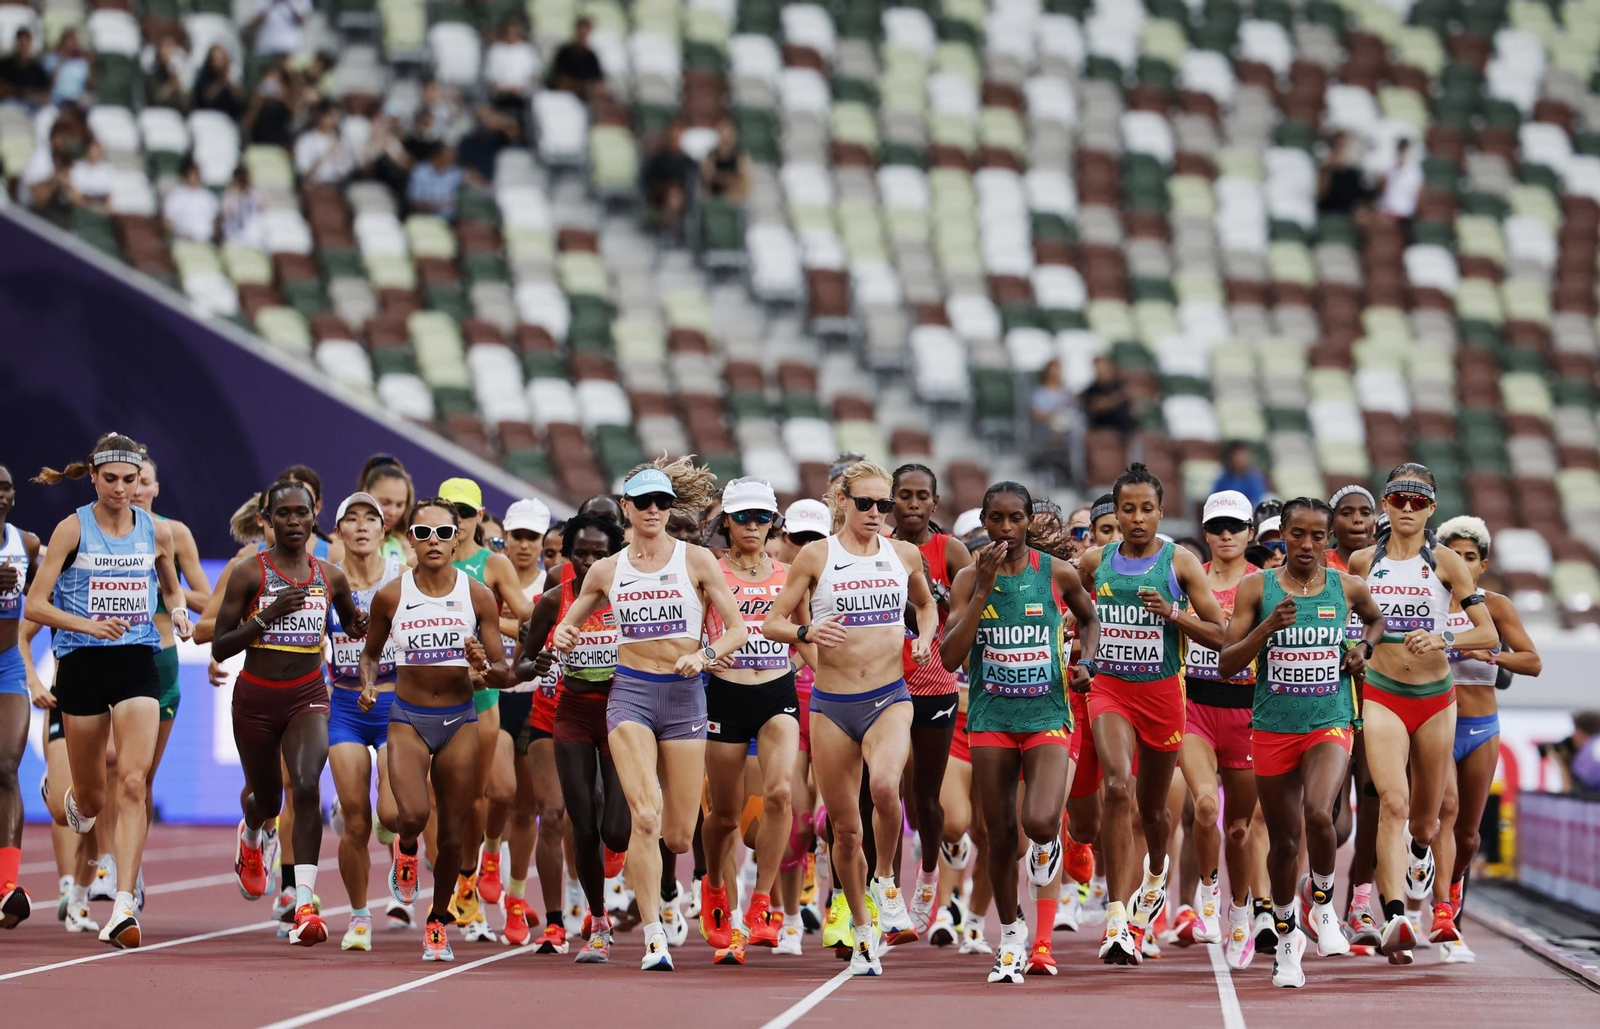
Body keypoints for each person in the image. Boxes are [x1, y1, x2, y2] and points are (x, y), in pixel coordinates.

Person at [549, 458, 747, 971]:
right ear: (627, 508)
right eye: (644, 502)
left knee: (678, 834)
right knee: (643, 816)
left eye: (662, 501)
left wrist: (703, 657)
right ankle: (654, 933)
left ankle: (673, 881)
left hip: (684, 700)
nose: (654, 510)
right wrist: (565, 635)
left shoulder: (696, 561)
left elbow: (737, 630)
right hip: (631, 693)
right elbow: (565, 627)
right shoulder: (608, 569)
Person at [763, 460, 939, 976]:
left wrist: (925, 637)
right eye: (865, 503)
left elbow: (925, 606)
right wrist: (806, 634)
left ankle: (886, 881)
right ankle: (862, 930)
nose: (876, 513)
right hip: (832, 705)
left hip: (889, 695)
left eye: (884, 505)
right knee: (844, 832)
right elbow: (774, 621)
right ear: (842, 500)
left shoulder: (903, 553)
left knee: (886, 788)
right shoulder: (817, 555)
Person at [23, 434, 191, 948]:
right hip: (81, 663)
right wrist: (87, 626)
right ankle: (68, 796)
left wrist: (179, 611)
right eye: (112, 479)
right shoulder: (72, 527)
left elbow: (169, 581)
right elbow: (34, 605)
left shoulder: (155, 531)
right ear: (94, 477)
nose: (122, 489)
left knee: (135, 782)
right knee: (92, 798)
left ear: (142, 480)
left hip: (138, 660)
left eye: (131, 480)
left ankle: (122, 904)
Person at [1219, 497, 1385, 987]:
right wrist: (1268, 628)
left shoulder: (1346, 586)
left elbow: (1375, 621)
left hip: (1329, 720)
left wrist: (1362, 649)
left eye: (1318, 536)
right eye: (1298, 535)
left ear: (1328, 537)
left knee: (1321, 812)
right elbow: (1228, 661)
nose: (1308, 545)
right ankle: (1287, 939)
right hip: (1273, 727)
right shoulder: (1257, 587)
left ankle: (1324, 905)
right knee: (1286, 841)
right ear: (1281, 537)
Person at [940, 481, 1100, 983]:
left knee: (1039, 822)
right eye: (996, 519)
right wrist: (983, 590)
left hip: (1047, 714)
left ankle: (1051, 849)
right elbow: (948, 657)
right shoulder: (969, 577)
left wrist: (1087, 663)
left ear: (1028, 520)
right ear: (984, 522)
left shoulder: (1057, 572)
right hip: (991, 719)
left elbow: (1090, 620)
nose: (1005, 529)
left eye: (1015, 519)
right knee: (1001, 836)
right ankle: (1010, 935)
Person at [1074, 463, 1226, 965]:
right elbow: (1068, 606)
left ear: (1161, 512)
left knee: (1155, 813)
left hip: (1162, 697)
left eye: (1146, 509)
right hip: (1110, 690)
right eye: (1127, 509)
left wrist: (1173, 614)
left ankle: (1156, 875)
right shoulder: (1096, 563)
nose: (1137, 519)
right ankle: (1118, 918)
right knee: (1118, 789)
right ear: (1115, 513)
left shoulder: (1180, 563)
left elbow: (1223, 635)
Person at [1348, 464, 1496, 961]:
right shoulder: (1363, 560)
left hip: (1435, 700)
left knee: (1426, 822)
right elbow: (1350, 626)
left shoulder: (1448, 562)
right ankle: (1393, 915)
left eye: (1417, 501)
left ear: (1431, 508)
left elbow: (1488, 633)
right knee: (1392, 802)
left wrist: (1443, 637)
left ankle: (1418, 853)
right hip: (1384, 693)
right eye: (1398, 499)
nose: (1407, 509)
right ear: (1385, 506)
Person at [211, 479, 362, 947]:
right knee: (268, 799)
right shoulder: (248, 573)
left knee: (306, 787)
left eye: (301, 514)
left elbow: (351, 622)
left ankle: (304, 905)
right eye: (284, 515)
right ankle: (252, 832)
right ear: (267, 520)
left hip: (308, 695)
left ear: (315, 517)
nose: (293, 522)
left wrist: (363, 624)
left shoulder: (330, 575)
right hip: (255, 699)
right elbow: (220, 645)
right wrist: (266, 616)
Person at [361, 498, 511, 961]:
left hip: (461, 720)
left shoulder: (477, 595)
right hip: (407, 717)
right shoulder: (392, 594)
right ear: (410, 538)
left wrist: (482, 663)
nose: (433, 543)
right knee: (412, 816)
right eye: (423, 534)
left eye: (443, 534)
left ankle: (437, 923)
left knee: (452, 833)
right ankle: (406, 851)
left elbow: (503, 671)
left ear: (457, 538)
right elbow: (369, 653)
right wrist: (368, 683)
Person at [698, 479, 805, 964]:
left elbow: (805, 635)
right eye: (742, 517)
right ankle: (716, 889)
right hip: (724, 696)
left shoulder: (788, 573)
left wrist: (806, 669)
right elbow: (686, 629)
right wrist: (703, 655)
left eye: (762, 518)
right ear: (726, 521)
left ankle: (762, 904)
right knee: (723, 814)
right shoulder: (709, 571)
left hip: (777, 693)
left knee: (781, 794)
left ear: (773, 523)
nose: (753, 526)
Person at [520, 513, 627, 962]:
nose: (589, 561)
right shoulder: (552, 601)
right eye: (581, 553)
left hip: (623, 714)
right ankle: (598, 921)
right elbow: (522, 665)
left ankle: (618, 855)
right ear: (568, 556)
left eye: (600, 553)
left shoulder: (629, 596)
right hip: (572, 716)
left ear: (615, 556)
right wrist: (538, 665)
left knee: (616, 830)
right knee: (580, 823)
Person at [1432, 516, 1540, 961]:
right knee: (1442, 816)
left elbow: (1532, 662)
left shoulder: (1495, 607)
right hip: (1435, 722)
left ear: (1483, 564)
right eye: (1452, 555)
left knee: (1470, 836)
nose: (1461, 563)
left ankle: (1453, 896)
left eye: (1470, 557)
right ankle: (1438, 910)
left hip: (1480, 728)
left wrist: (1490, 652)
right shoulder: (1428, 602)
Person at [435, 477, 532, 942]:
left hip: (483, 695)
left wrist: (490, 625)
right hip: (430, 692)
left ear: (477, 516)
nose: (457, 520)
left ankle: (471, 875)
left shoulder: (492, 563)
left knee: (481, 797)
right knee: (432, 802)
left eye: (466, 512)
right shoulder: (421, 561)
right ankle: (433, 869)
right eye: (448, 511)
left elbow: (530, 619)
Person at [1172, 491, 1260, 964]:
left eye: (1235, 527)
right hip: (1197, 710)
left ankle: (1241, 915)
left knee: (1240, 830)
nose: (1226, 535)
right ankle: (1207, 897)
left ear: (1249, 532)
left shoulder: (1266, 584)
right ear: (1205, 533)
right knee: (1205, 808)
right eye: (1217, 527)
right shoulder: (1190, 581)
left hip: (1249, 714)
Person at [888, 464, 972, 936]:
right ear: (891, 502)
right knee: (889, 795)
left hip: (937, 684)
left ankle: (928, 875)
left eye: (922, 496)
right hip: (887, 685)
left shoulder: (950, 550)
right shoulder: (876, 549)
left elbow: (975, 605)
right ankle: (892, 896)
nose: (914, 504)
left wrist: (942, 596)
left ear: (935, 504)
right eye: (905, 495)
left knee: (924, 801)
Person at [480, 498, 565, 951]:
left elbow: (546, 630)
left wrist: (505, 624)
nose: (526, 545)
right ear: (505, 538)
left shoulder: (552, 583)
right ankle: (490, 853)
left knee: (528, 809)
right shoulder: (489, 577)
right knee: (502, 790)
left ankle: (515, 898)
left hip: (538, 700)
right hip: (497, 696)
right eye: (518, 537)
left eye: (535, 537)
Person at [324, 492, 403, 951]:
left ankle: (402, 848)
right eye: (350, 519)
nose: (360, 526)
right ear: (338, 532)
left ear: (382, 530)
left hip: (394, 706)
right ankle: (358, 918)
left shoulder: (402, 578)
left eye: (369, 518)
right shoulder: (328, 581)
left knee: (391, 814)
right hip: (347, 710)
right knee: (356, 821)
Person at [0, 463, 42, 927]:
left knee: (7, 767)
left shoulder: (25, 544)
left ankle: (6, 884)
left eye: (7, 487)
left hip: (8, 664)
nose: (2, 494)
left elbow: (52, 585)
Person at [357, 455, 415, 563]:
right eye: (385, 503)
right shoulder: (340, 544)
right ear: (365, 493)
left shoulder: (410, 551)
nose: (392, 512)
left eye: (399, 505)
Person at [295, 103, 354, 185]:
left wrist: (338, 154)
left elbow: (346, 170)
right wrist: (326, 153)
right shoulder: (306, 140)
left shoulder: (341, 140)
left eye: (337, 117)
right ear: (321, 116)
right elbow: (304, 172)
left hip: (337, 184)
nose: (334, 120)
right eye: (331, 116)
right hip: (313, 184)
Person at [548, 17, 605, 99]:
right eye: (580, 33)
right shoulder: (564, 53)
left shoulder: (591, 56)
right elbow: (560, 82)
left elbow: (599, 84)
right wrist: (582, 87)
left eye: (585, 34)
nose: (582, 36)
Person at [163, 158, 219, 242]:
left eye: (197, 174)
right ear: (186, 175)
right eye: (193, 174)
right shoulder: (176, 195)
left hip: (204, 242)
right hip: (182, 241)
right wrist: (181, 234)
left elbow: (214, 222)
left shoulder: (208, 197)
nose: (195, 178)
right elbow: (168, 221)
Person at [1080, 355, 1135, 435]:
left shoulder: (1120, 385)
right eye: (1098, 368)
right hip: (1102, 430)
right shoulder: (1091, 390)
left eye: (1103, 367)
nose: (1101, 370)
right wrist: (1118, 397)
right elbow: (1096, 406)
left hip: (1125, 430)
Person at [408, 144, 464, 220]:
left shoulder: (455, 172)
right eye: (448, 157)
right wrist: (436, 204)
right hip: (424, 218)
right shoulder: (420, 172)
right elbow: (414, 203)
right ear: (437, 156)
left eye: (453, 158)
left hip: (451, 220)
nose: (452, 160)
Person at [700, 118, 749, 201]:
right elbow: (708, 177)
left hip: (734, 196)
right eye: (722, 132)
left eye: (728, 133)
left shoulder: (739, 155)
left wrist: (723, 179)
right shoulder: (711, 155)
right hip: (714, 194)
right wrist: (728, 179)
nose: (725, 136)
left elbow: (743, 178)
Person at [1375, 138, 1422, 223]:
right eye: (1400, 148)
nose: (1402, 151)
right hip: (1385, 211)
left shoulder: (1415, 172)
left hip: (1404, 213)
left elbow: (1418, 196)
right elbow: (1380, 191)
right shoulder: (1387, 168)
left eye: (1404, 148)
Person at [191, 45, 244, 121]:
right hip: (207, 117)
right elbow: (205, 98)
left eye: (222, 59)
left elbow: (239, 100)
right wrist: (221, 80)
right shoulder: (204, 76)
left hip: (229, 119)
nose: (219, 63)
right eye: (216, 59)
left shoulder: (231, 75)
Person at [0, 28, 50, 107]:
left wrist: (32, 96)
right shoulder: (5, 65)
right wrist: (19, 92)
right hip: (9, 104)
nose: (23, 48)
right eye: (21, 44)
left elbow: (45, 95)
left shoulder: (37, 68)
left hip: (30, 107)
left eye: (25, 44)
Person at [1212, 443, 1268, 508]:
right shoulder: (1222, 480)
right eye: (1238, 456)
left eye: (1244, 456)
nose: (1241, 459)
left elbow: (1257, 501)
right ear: (1231, 458)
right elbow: (1214, 501)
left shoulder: (1255, 479)